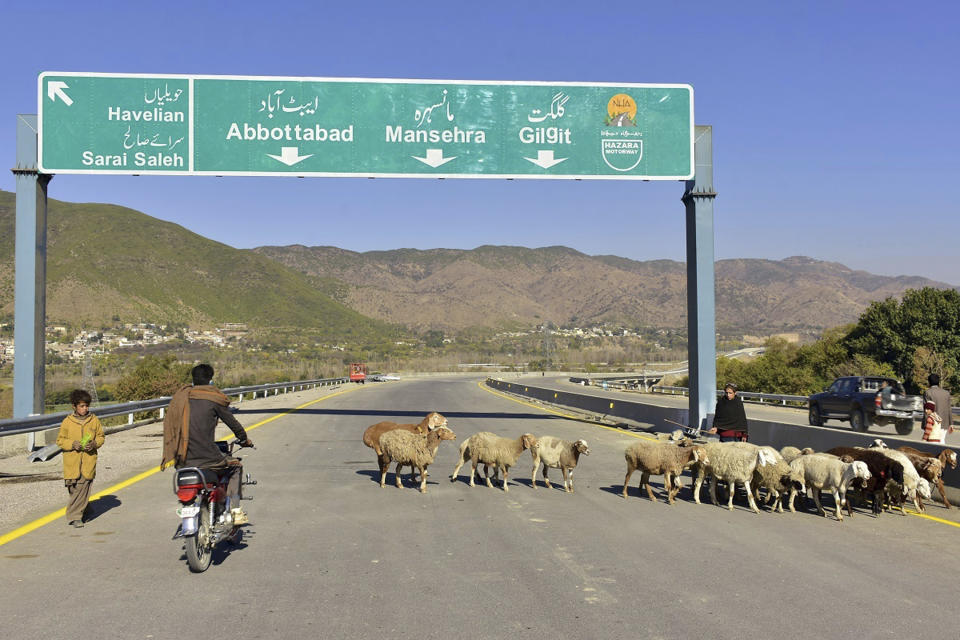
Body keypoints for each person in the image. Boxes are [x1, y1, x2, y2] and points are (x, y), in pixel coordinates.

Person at [162, 364, 253, 525]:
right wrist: (244, 439)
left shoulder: (180, 398)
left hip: (182, 458)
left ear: (193, 379)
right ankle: (236, 511)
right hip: (208, 457)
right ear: (210, 380)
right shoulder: (214, 399)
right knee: (235, 467)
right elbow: (233, 424)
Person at [55, 389, 105, 528]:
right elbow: (60, 440)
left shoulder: (94, 420)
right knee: (73, 489)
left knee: (82, 488)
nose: (85, 409)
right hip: (71, 463)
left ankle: (74, 516)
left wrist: (94, 444)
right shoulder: (67, 422)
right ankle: (87, 509)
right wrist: (72, 444)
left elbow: (101, 437)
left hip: (88, 462)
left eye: (87, 406)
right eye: (82, 406)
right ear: (74, 406)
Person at [924, 373, 953, 438]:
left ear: (929, 382)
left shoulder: (928, 393)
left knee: (932, 444)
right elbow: (949, 409)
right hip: (944, 423)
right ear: (938, 382)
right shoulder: (946, 393)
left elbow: (927, 411)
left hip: (932, 423)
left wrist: (925, 424)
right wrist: (951, 424)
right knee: (942, 441)